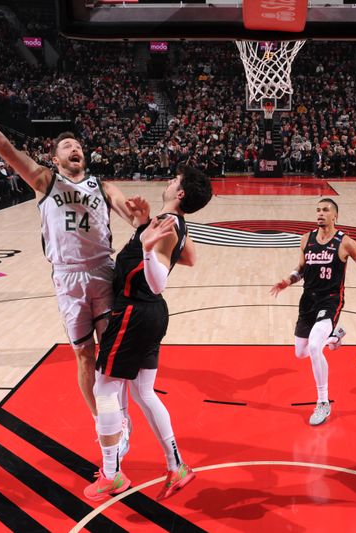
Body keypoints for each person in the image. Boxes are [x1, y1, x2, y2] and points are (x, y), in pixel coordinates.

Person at [0, 79, 138, 419]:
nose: (73, 148)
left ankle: (117, 416)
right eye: (66, 146)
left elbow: (131, 216)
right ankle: (101, 421)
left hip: (103, 273)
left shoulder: (102, 185)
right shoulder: (44, 180)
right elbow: (3, 146)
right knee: (83, 356)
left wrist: (141, 217)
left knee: (109, 356)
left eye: (77, 145)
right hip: (67, 277)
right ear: (54, 157)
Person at [84, 165, 212, 501]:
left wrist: (145, 247)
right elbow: (189, 257)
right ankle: (177, 466)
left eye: (174, 181)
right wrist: (144, 227)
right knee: (142, 392)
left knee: (105, 388)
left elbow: (158, 282)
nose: (169, 183)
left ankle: (111, 474)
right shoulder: (169, 224)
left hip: (135, 312)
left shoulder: (166, 226)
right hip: (149, 315)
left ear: (180, 193)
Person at [270, 198, 356, 426]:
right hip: (307, 301)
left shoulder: (345, 242)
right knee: (301, 353)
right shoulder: (306, 239)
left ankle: (322, 402)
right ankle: (334, 335)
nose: (320, 213)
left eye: (326, 210)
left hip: (330, 301)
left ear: (335, 216)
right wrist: (287, 281)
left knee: (313, 346)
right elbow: (301, 269)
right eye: (318, 210)